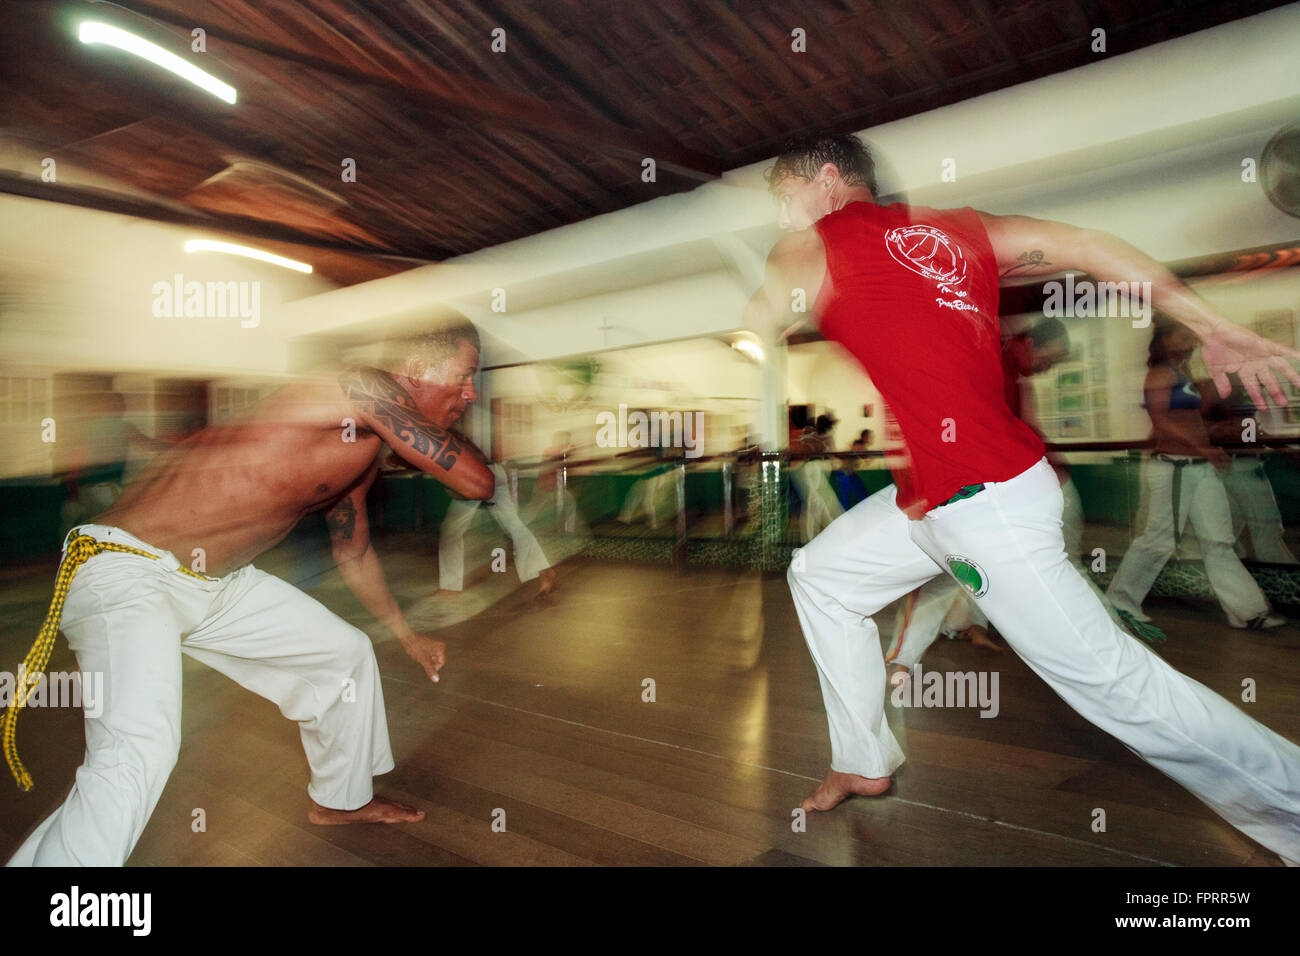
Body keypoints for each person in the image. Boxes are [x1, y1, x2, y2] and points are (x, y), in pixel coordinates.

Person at [751, 133, 1300, 864]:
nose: (784, 218)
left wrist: (761, 316)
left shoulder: (812, 241)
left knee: (1115, 685)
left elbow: (760, 319)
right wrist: (1216, 326)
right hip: (939, 496)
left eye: (784, 200)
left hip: (985, 505)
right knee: (822, 576)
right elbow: (1092, 244)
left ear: (824, 181)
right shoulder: (963, 232)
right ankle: (863, 758)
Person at [3, 317, 494, 866]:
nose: (470, 393)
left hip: (218, 587)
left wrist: (405, 635)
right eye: (465, 376)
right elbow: (477, 480)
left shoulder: (358, 450)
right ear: (416, 368)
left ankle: (338, 800)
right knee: (138, 754)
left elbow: (352, 553)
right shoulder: (360, 384)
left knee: (345, 655)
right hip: (126, 568)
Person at [1106, 322, 1284, 629]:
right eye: (1184, 337)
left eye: (1192, 338)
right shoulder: (1159, 374)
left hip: (1198, 468)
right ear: (1165, 339)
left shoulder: (1181, 374)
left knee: (1218, 541)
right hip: (1175, 467)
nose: (1191, 343)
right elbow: (1162, 421)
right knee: (1159, 540)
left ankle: (1248, 611)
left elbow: (1194, 415)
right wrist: (1204, 448)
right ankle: (1120, 601)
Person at [1203, 371, 1298, 564]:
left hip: (1242, 465)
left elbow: (1251, 430)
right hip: (1240, 468)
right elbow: (1206, 423)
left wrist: (1283, 448)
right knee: (1267, 530)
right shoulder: (1225, 384)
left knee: (1233, 532)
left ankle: (1237, 580)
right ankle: (1282, 583)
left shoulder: (1243, 385)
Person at [436, 460, 556, 598]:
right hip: (494, 472)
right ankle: (544, 570)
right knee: (514, 526)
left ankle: (450, 586)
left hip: (473, 471)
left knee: (452, 530)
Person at [791, 413, 844, 541]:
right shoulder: (827, 438)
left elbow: (801, 449)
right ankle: (833, 533)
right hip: (816, 469)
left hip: (807, 469)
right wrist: (838, 463)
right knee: (819, 502)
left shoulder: (809, 435)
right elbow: (833, 457)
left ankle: (812, 537)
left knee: (814, 502)